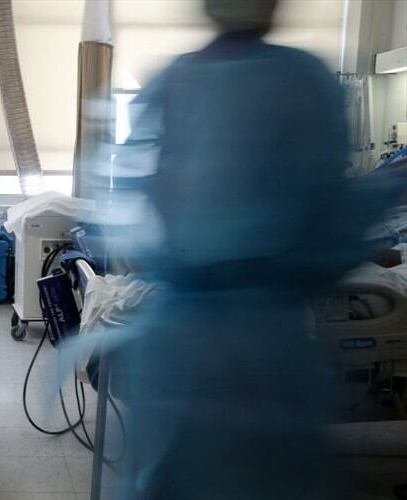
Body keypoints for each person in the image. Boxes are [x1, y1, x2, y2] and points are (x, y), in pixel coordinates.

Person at [101, 0, 405, 498]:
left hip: (172, 348)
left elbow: (141, 208)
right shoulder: (300, 80)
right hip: (262, 350)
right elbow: (328, 225)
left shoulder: (172, 82)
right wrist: (391, 190)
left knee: (169, 478)